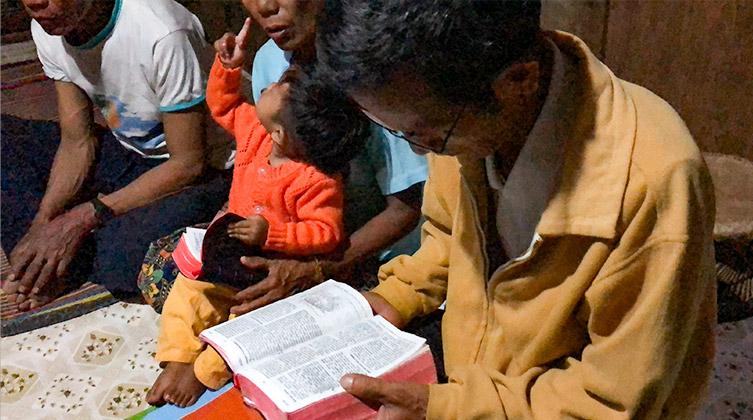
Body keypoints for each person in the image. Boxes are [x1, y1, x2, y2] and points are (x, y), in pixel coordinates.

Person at [315, 1, 717, 419]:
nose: (419, 149)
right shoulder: (453, 109)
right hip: (482, 386)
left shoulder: (652, 182)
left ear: (517, 81)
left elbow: (610, 400)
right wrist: (398, 295)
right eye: (399, 131)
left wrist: (446, 409)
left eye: (424, 135)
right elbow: (450, 236)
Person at [146, 19, 369, 407]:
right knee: (188, 294)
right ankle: (178, 358)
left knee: (251, 325)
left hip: (273, 268)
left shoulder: (317, 179)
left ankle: (203, 374)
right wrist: (228, 69)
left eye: (272, 87)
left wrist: (273, 236)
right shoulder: (256, 132)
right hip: (226, 251)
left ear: (282, 134)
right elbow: (223, 105)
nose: (264, 85)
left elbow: (327, 232)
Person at [1, 0, 235, 309]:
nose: (34, 3)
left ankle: (64, 263)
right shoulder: (50, 27)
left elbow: (188, 164)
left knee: (119, 261)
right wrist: (43, 223)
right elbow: (77, 141)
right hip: (130, 151)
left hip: (203, 170)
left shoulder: (163, 32)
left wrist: (80, 218)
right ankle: (45, 262)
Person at [225, 0, 429, 315]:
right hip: (297, 240)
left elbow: (407, 208)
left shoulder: (372, 67)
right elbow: (264, 163)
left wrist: (319, 269)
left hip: (371, 255)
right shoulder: (269, 62)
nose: (264, 6)